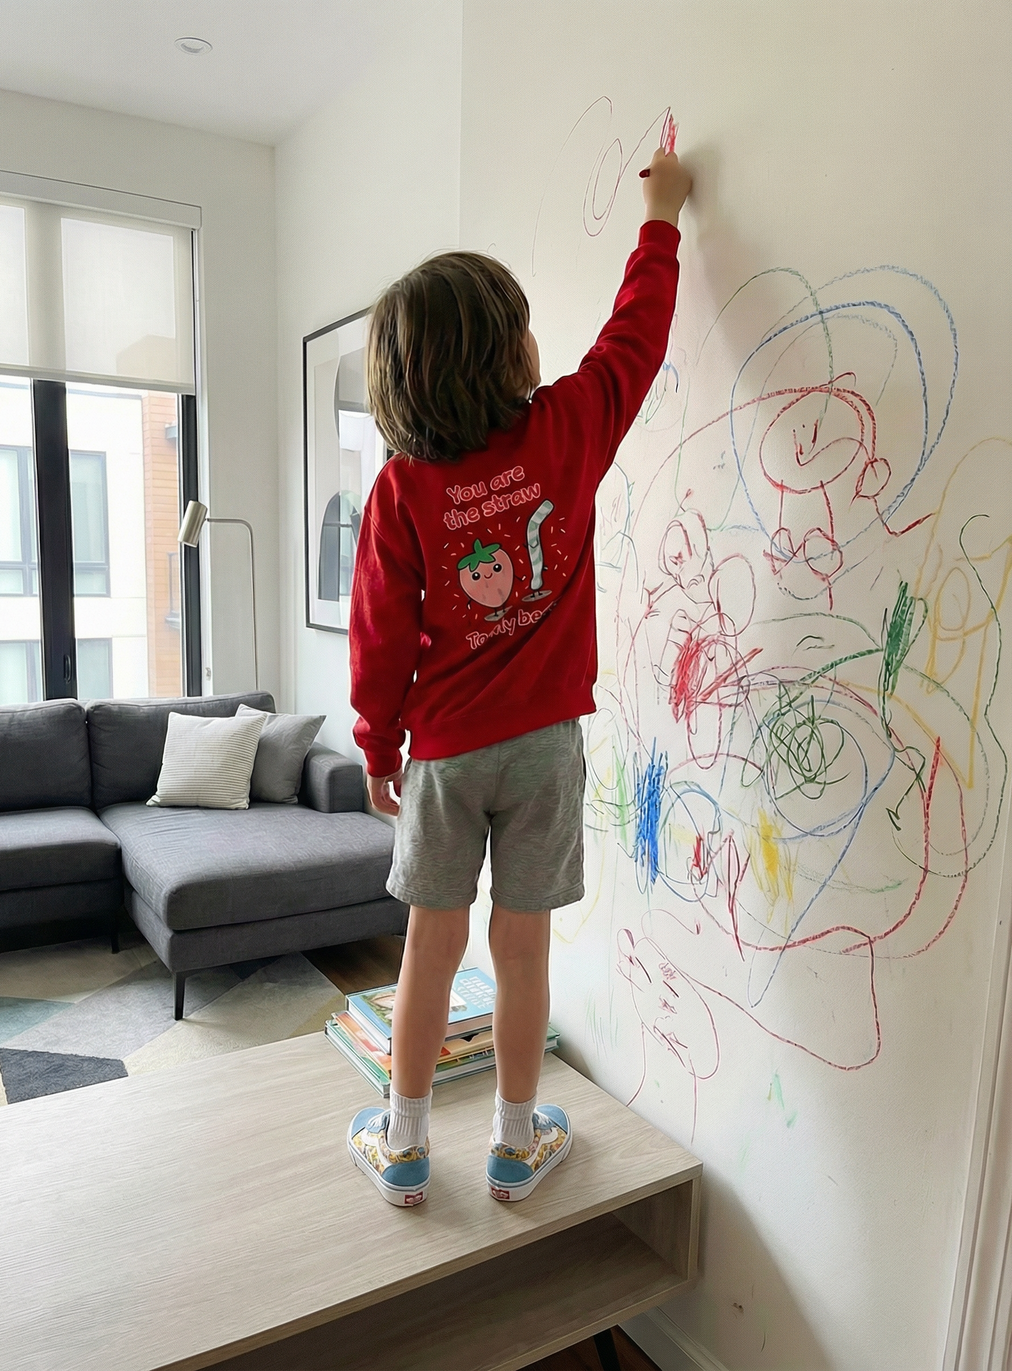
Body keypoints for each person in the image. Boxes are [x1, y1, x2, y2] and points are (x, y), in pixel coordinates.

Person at [346, 144, 691, 1206]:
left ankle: (402, 1147)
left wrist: (376, 744)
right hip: (543, 747)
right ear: (503, 356)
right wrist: (662, 223)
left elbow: (379, 638)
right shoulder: (566, 431)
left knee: (429, 952)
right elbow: (634, 342)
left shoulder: (404, 487)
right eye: (523, 323)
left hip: (445, 754)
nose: (541, 338)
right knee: (524, 948)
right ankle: (510, 1143)